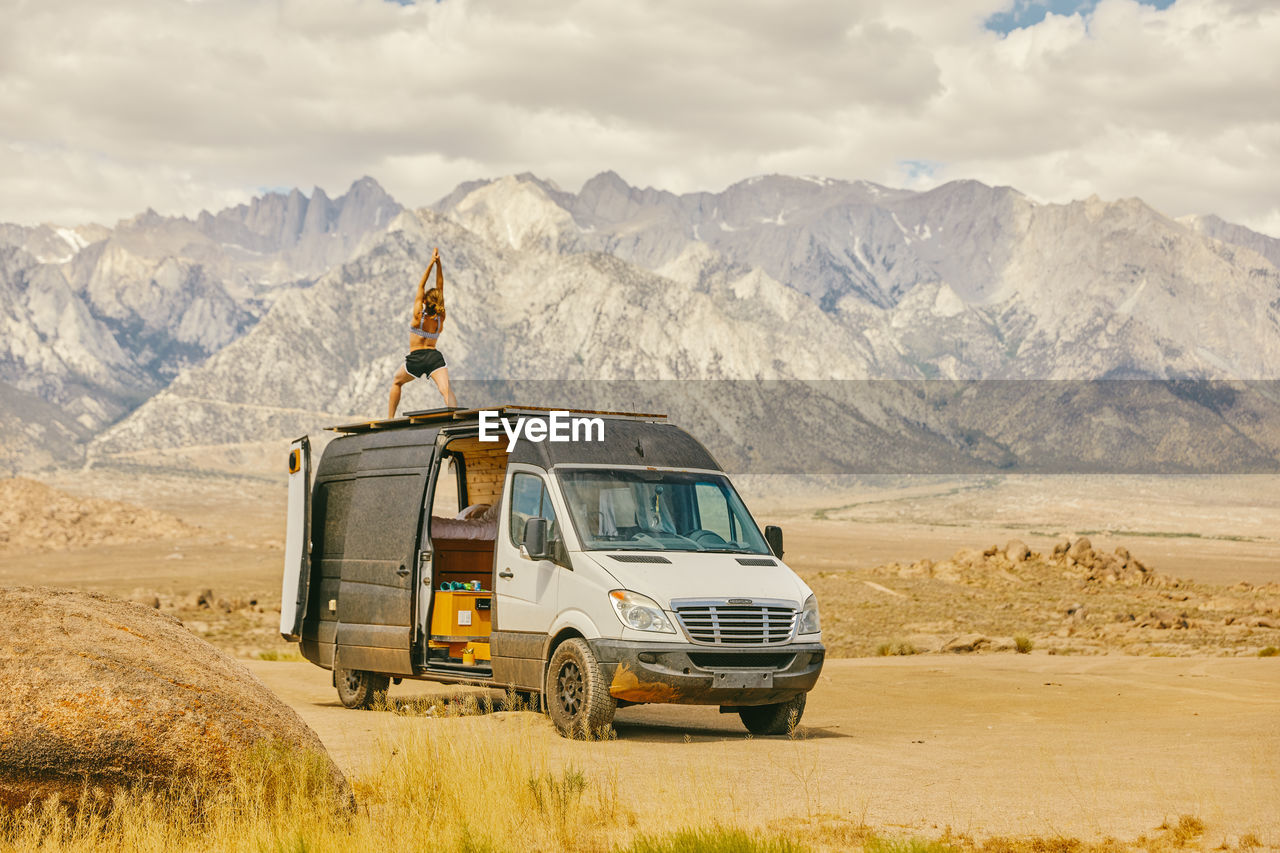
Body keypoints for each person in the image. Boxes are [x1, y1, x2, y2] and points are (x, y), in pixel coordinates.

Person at [388, 247, 457, 417]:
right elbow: (440, 288)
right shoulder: (440, 317)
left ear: (425, 300)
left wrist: (431, 263)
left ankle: (389, 418)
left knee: (397, 382)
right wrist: (439, 264)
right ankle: (457, 418)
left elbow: (421, 285)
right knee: (445, 389)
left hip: (416, 358)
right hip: (434, 357)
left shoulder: (418, 316)